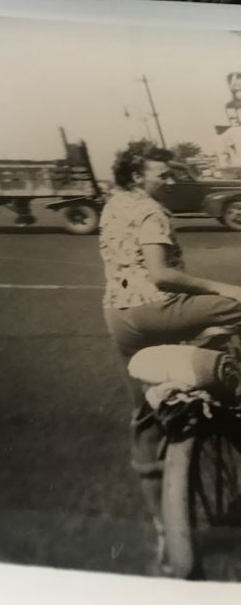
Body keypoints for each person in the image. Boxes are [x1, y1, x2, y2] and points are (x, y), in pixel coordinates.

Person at [99, 144, 241, 568]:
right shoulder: (151, 212)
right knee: (237, 304)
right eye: (161, 174)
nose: (170, 180)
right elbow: (162, 275)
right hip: (157, 308)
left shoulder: (113, 206)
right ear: (138, 176)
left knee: (143, 416)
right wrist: (221, 288)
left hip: (118, 315)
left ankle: (164, 532)